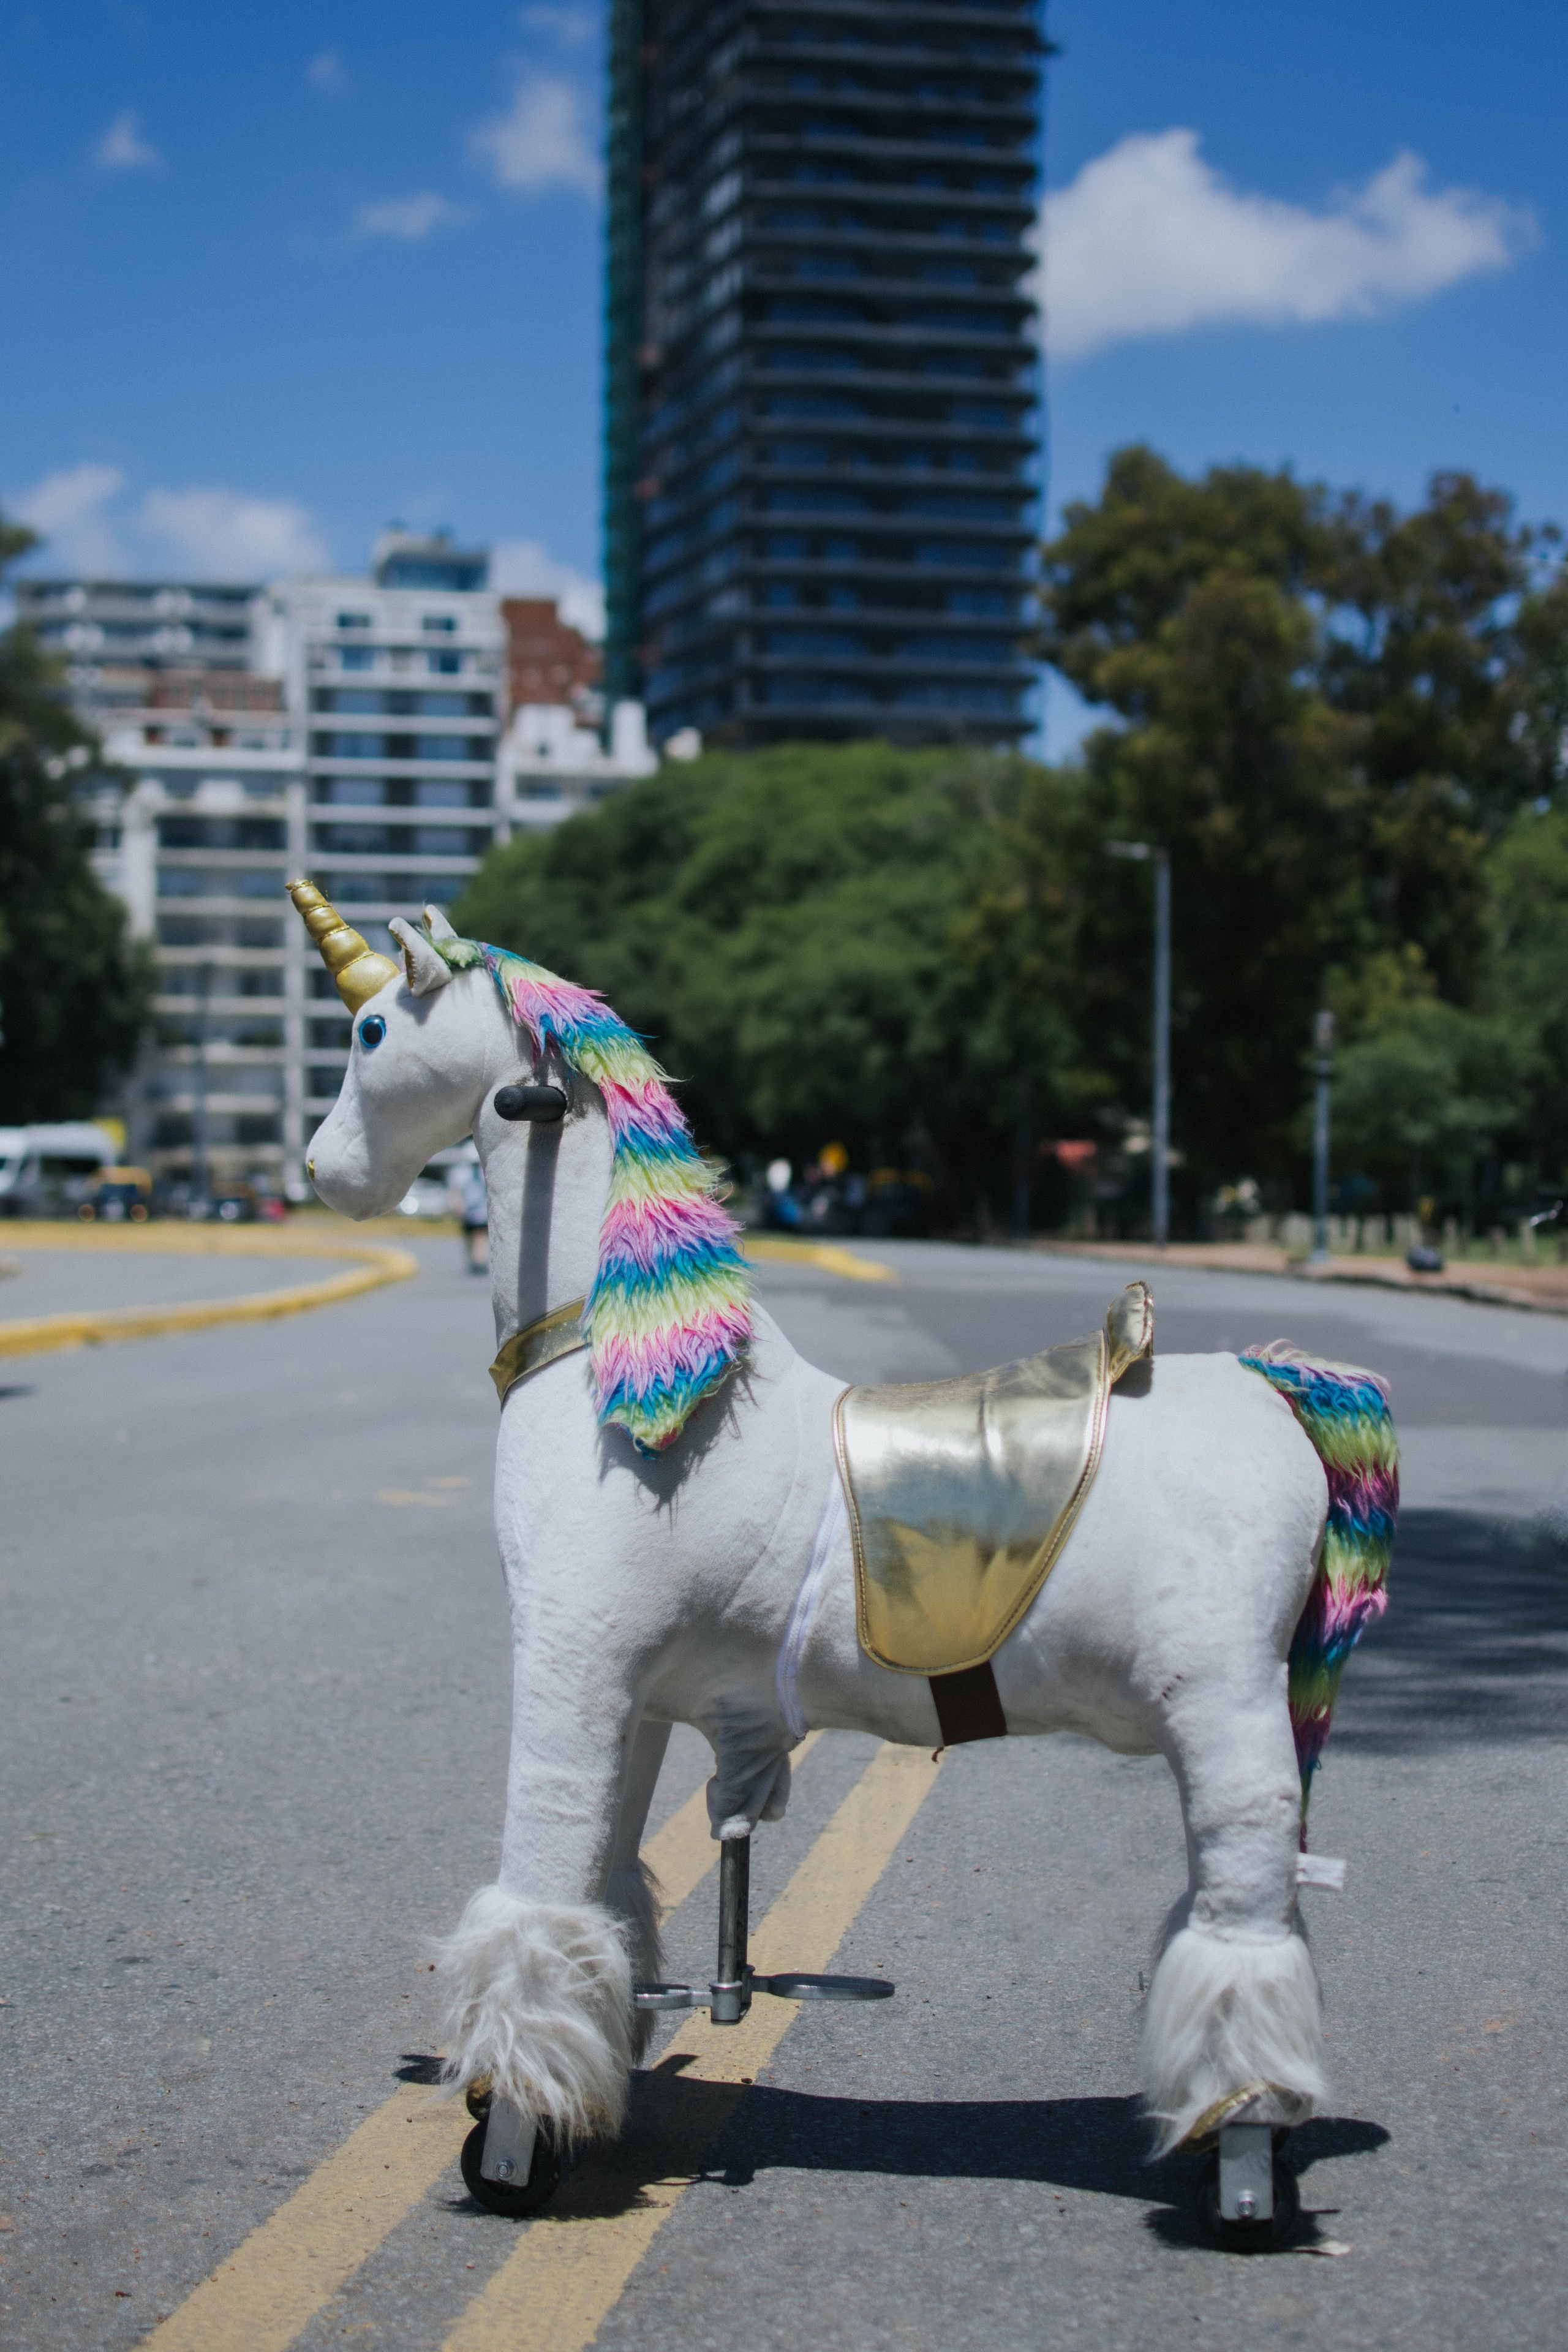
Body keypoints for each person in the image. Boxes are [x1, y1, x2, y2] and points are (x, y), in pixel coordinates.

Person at [448, 1156, 489, 1275]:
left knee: (480, 1237)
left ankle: (479, 1260)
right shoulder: (460, 1173)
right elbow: (455, 1191)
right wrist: (457, 1206)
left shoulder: (485, 1171)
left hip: (482, 1212)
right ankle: (474, 1260)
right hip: (467, 1212)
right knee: (470, 1239)